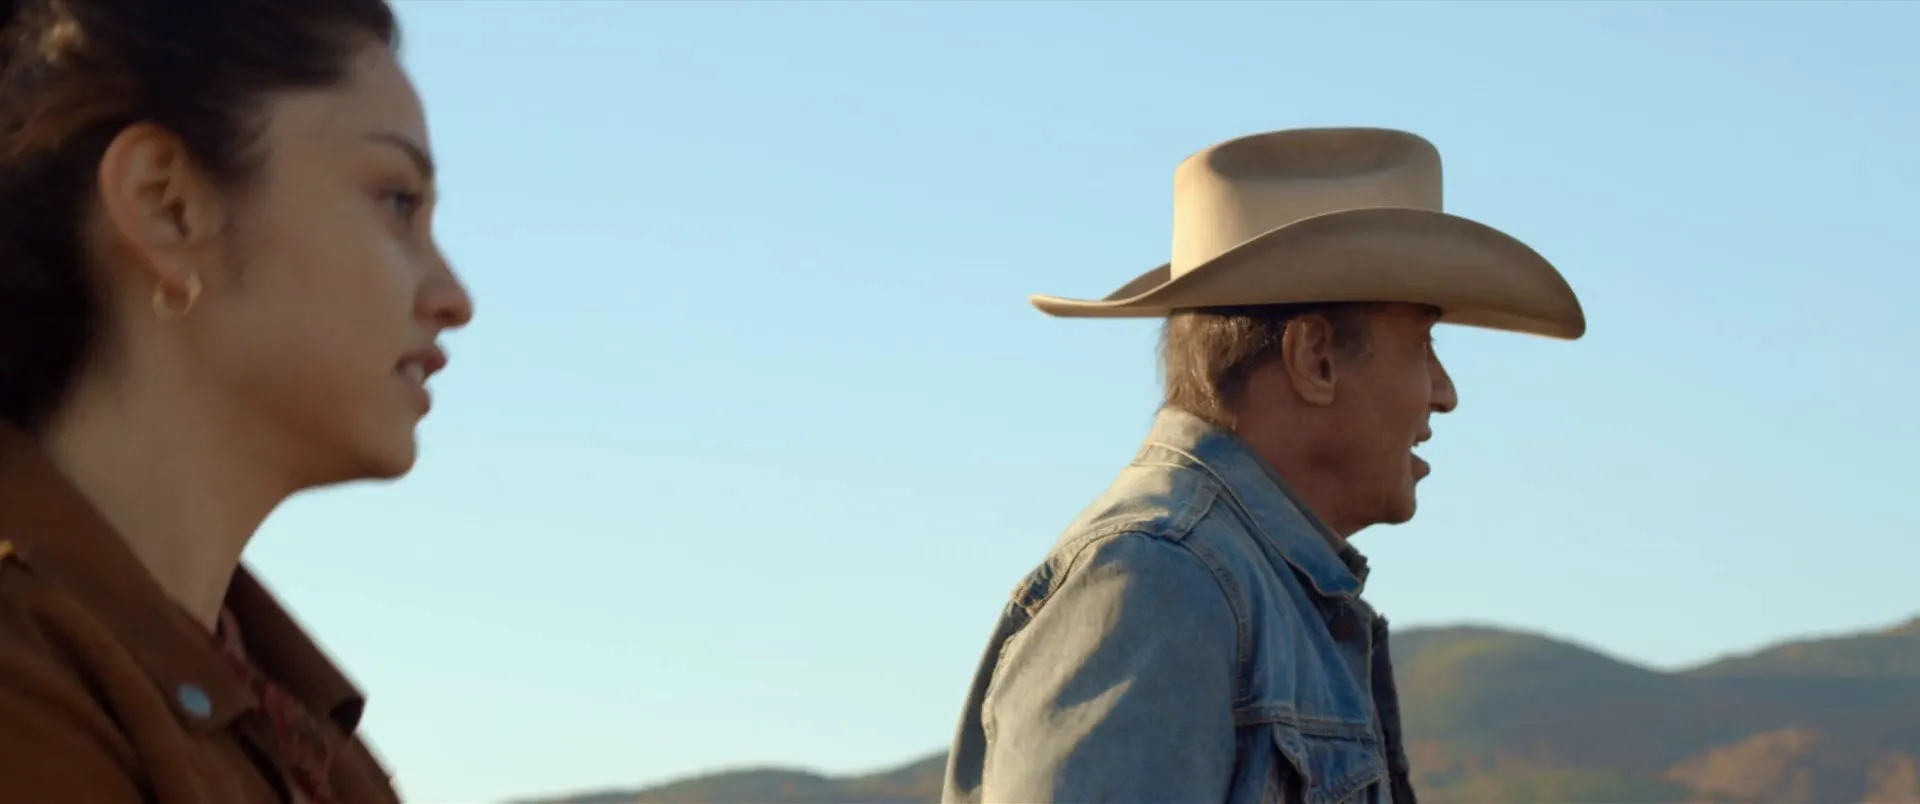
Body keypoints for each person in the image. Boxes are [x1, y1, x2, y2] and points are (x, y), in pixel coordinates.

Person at [940, 127, 1586, 804]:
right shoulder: (1160, 582)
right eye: (1422, 345)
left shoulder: (1228, 587)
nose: (1445, 393)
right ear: (1316, 359)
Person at [0, 0, 470, 802]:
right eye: (398, 201)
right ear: (167, 204)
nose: (453, 298)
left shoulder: (295, 730)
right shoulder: (25, 687)